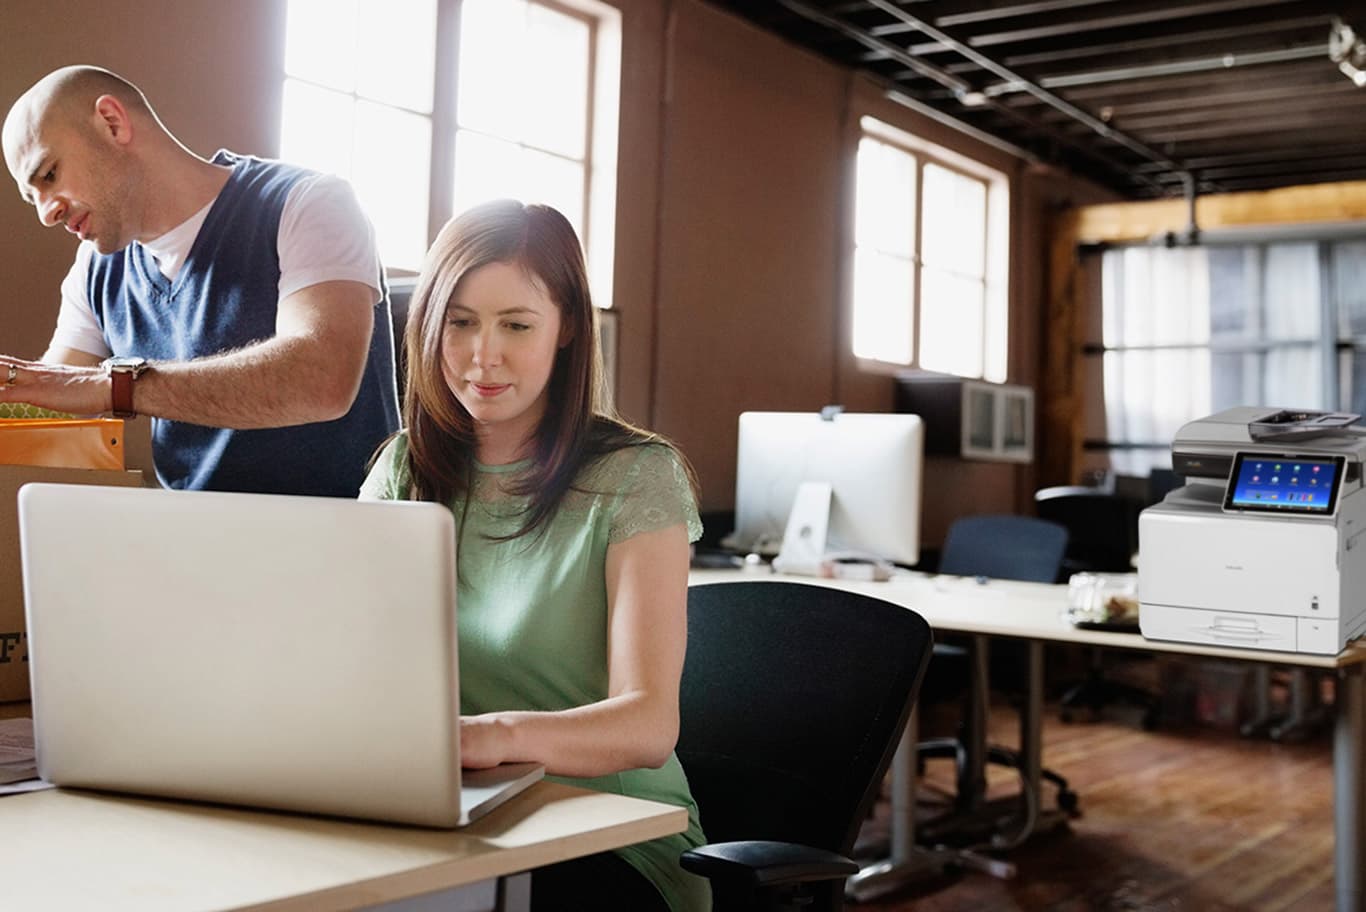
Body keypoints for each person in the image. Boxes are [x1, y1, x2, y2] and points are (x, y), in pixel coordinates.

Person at [360, 200, 709, 912]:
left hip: (606, 838)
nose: (482, 355)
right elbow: (358, 658)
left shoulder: (637, 476)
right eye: (459, 322)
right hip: (449, 817)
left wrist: (486, 738)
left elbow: (648, 724)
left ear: (568, 329)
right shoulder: (403, 470)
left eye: (516, 325)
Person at [0, 65, 398, 495]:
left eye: (49, 174)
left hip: (346, 541)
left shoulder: (309, 202)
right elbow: (55, 397)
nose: (45, 213)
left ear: (112, 123)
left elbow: (323, 380)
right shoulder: (94, 269)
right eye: (31, 196)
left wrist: (114, 386)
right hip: (190, 541)